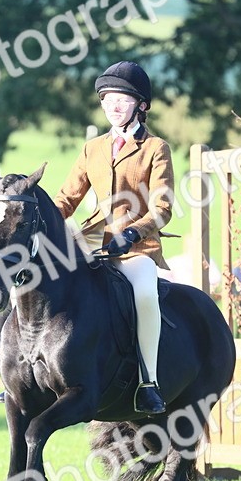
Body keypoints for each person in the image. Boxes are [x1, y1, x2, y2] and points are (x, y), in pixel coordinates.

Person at [53, 60, 174, 414]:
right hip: (91, 241)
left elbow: (162, 207)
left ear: (141, 105)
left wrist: (134, 232)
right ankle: (23, 372)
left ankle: (148, 382)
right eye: (107, 99)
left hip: (136, 247)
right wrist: (38, 220)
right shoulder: (92, 148)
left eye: (121, 100)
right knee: (36, 277)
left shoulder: (155, 148)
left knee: (145, 295)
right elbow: (66, 200)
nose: (113, 106)